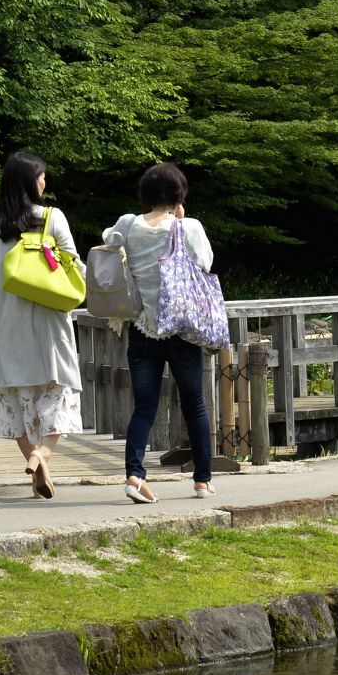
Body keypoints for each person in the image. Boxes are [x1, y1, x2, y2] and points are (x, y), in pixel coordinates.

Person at [103, 162, 216, 505]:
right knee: (194, 404)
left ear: (145, 193)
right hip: (180, 330)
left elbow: (107, 240)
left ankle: (135, 476)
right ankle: (202, 481)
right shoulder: (188, 226)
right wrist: (179, 220)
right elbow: (206, 263)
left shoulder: (127, 224)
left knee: (144, 408)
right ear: (179, 195)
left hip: (142, 328)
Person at [0, 151, 82, 498]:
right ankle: (42, 454)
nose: (45, 182)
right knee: (57, 397)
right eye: (42, 176)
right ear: (31, 182)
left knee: (18, 405)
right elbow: (74, 267)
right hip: (51, 326)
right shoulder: (52, 218)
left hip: (9, 326)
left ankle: (38, 468)